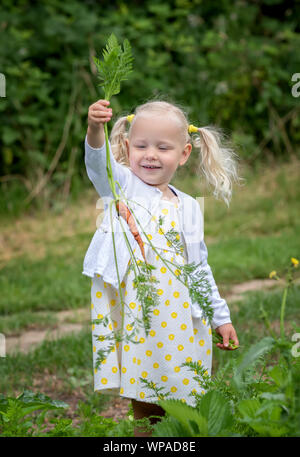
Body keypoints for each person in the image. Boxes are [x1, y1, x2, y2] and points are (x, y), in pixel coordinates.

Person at [83, 98, 241, 437]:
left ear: (184, 154)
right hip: (142, 315)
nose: (150, 154)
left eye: (162, 147)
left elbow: (200, 267)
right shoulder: (123, 187)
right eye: (141, 145)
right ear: (126, 147)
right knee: (145, 396)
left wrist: (221, 317)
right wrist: (95, 128)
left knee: (185, 392)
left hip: (183, 321)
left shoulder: (189, 206)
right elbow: (99, 164)